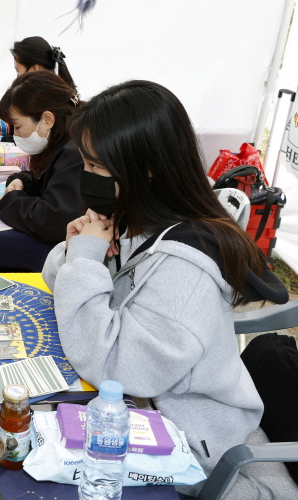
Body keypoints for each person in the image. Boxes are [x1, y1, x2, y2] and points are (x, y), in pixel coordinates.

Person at [43, 80, 298, 499]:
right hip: (155, 411)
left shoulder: (185, 269)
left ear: (144, 167)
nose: (85, 177)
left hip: (196, 448)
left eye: (94, 166)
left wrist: (85, 260)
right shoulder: (139, 220)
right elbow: (63, 285)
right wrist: (77, 251)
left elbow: (117, 365)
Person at [0, 70, 84, 243]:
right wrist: (23, 181)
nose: (15, 135)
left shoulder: (74, 153)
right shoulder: (63, 142)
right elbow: (53, 181)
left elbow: (53, 221)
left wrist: (11, 203)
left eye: (17, 127)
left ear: (47, 120)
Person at [0, 36, 76, 141]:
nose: (17, 77)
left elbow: (31, 138)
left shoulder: (46, 98)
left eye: (18, 71)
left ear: (34, 68)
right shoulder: (47, 90)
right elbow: (23, 124)